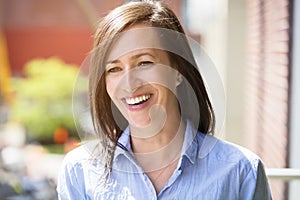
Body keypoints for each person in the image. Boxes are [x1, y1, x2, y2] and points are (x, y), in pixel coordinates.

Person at [57, 1, 272, 199]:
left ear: (177, 69)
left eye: (144, 63)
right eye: (114, 69)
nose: (129, 84)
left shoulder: (240, 171)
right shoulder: (80, 171)